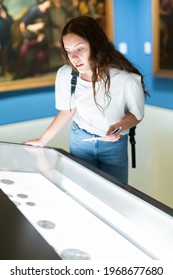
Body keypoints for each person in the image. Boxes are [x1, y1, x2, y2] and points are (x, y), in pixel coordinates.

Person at [24, 16, 148, 184]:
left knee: (115, 194)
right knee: (81, 189)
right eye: (68, 51)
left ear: (95, 44)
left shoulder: (126, 80)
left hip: (113, 146)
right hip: (80, 140)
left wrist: (118, 127)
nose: (73, 58)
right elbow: (68, 110)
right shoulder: (65, 75)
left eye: (79, 49)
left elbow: (136, 116)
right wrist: (42, 140)